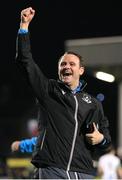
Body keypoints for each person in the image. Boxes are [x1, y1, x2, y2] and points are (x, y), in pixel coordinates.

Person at [15, 7, 112, 179]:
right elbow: (25, 61)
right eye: (62, 64)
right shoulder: (48, 89)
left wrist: (100, 139)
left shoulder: (93, 103)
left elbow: (106, 142)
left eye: (71, 64)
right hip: (52, 170)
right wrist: (24, 25)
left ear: (81, 70)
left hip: (83, 173)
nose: (66, 67)